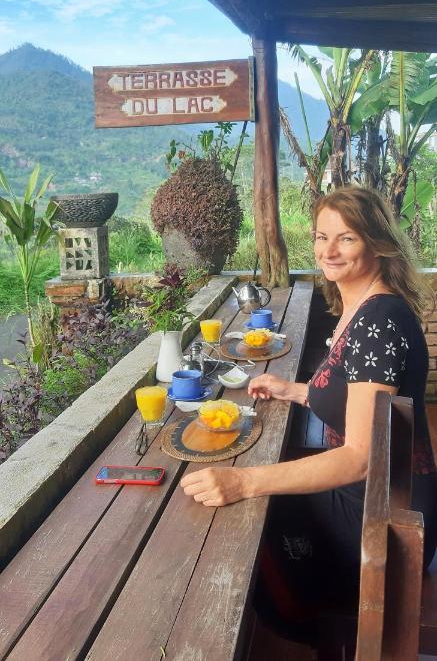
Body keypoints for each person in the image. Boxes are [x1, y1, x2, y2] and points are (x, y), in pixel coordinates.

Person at [181, 186, 437, 618]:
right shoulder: (362, 305)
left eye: (347, 238)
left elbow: (359, 458)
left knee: (248, 515)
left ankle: (295, 625)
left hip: (382, 516)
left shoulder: (379, 320)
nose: (329, 251)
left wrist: (244, 483)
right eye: (322, 237)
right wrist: (295, 391)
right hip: (380, 493)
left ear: (377, 243)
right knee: (258, 490)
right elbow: (358, 400)